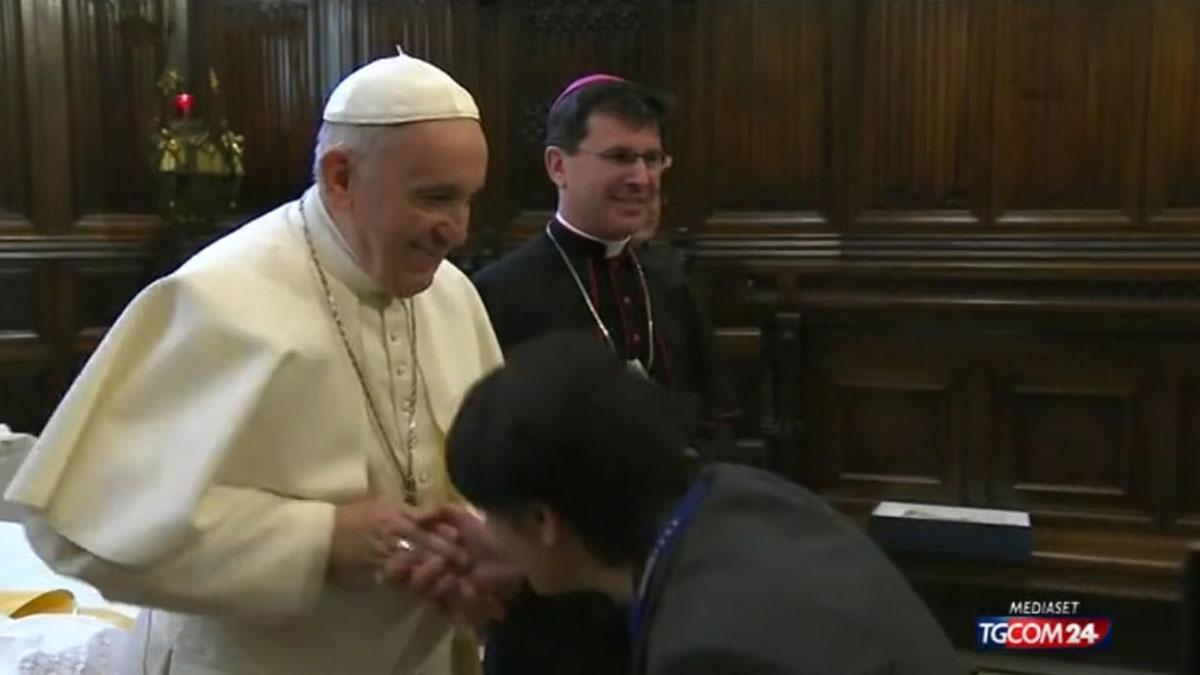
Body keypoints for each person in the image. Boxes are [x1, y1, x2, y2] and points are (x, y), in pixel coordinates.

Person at [4, 49, 503, 675]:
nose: (455, 229)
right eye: (434, 198)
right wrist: (319, 541)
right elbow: (81, 532)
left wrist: (476, 546)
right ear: (340, 176)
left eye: (467, 200)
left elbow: (488, 482)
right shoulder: (218, 298)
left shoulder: (453, 296)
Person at [440, 332, 966, 675]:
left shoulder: (711, 655)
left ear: (541, 521)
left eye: (491, 515)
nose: (489, 532)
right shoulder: (737, 494)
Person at [469, 72, 741, 675]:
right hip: (557, 600)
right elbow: (494, 456)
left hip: (671, 579)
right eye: (620, 156)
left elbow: (717, 420)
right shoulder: (500, 293)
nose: (641, 177)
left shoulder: (670, 284)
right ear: (558, 166)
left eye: (652, 158)